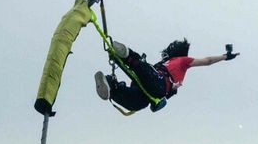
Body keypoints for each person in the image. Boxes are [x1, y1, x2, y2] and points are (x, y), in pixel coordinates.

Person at [94, 38, 238, 112]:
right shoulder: (183, 61)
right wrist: (225, 56)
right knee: (144, 79)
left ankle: (112, 86)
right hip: (159, 85)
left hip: (149, 86)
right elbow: (207, 61)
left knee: (134, 102)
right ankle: (126, 61)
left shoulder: (164, 62)